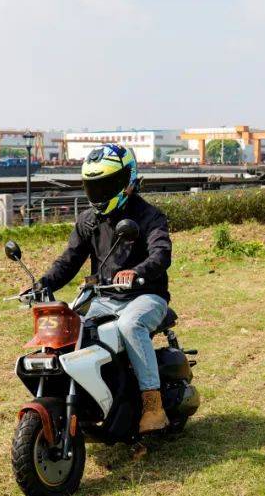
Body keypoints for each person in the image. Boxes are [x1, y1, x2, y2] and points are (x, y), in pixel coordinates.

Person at [37, 144, 172, 433]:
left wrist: (136, 272)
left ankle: (153, 404)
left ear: (128, 181)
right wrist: (42, 283)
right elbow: (69, 260)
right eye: (94, 186)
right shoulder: (89, 220)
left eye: (106, 185)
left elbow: (161, 254)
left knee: (130, 325)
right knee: (68, 327)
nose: (99, 194)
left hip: (145, 295)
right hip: (103, 297)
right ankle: (84, 398)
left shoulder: (150, 216)